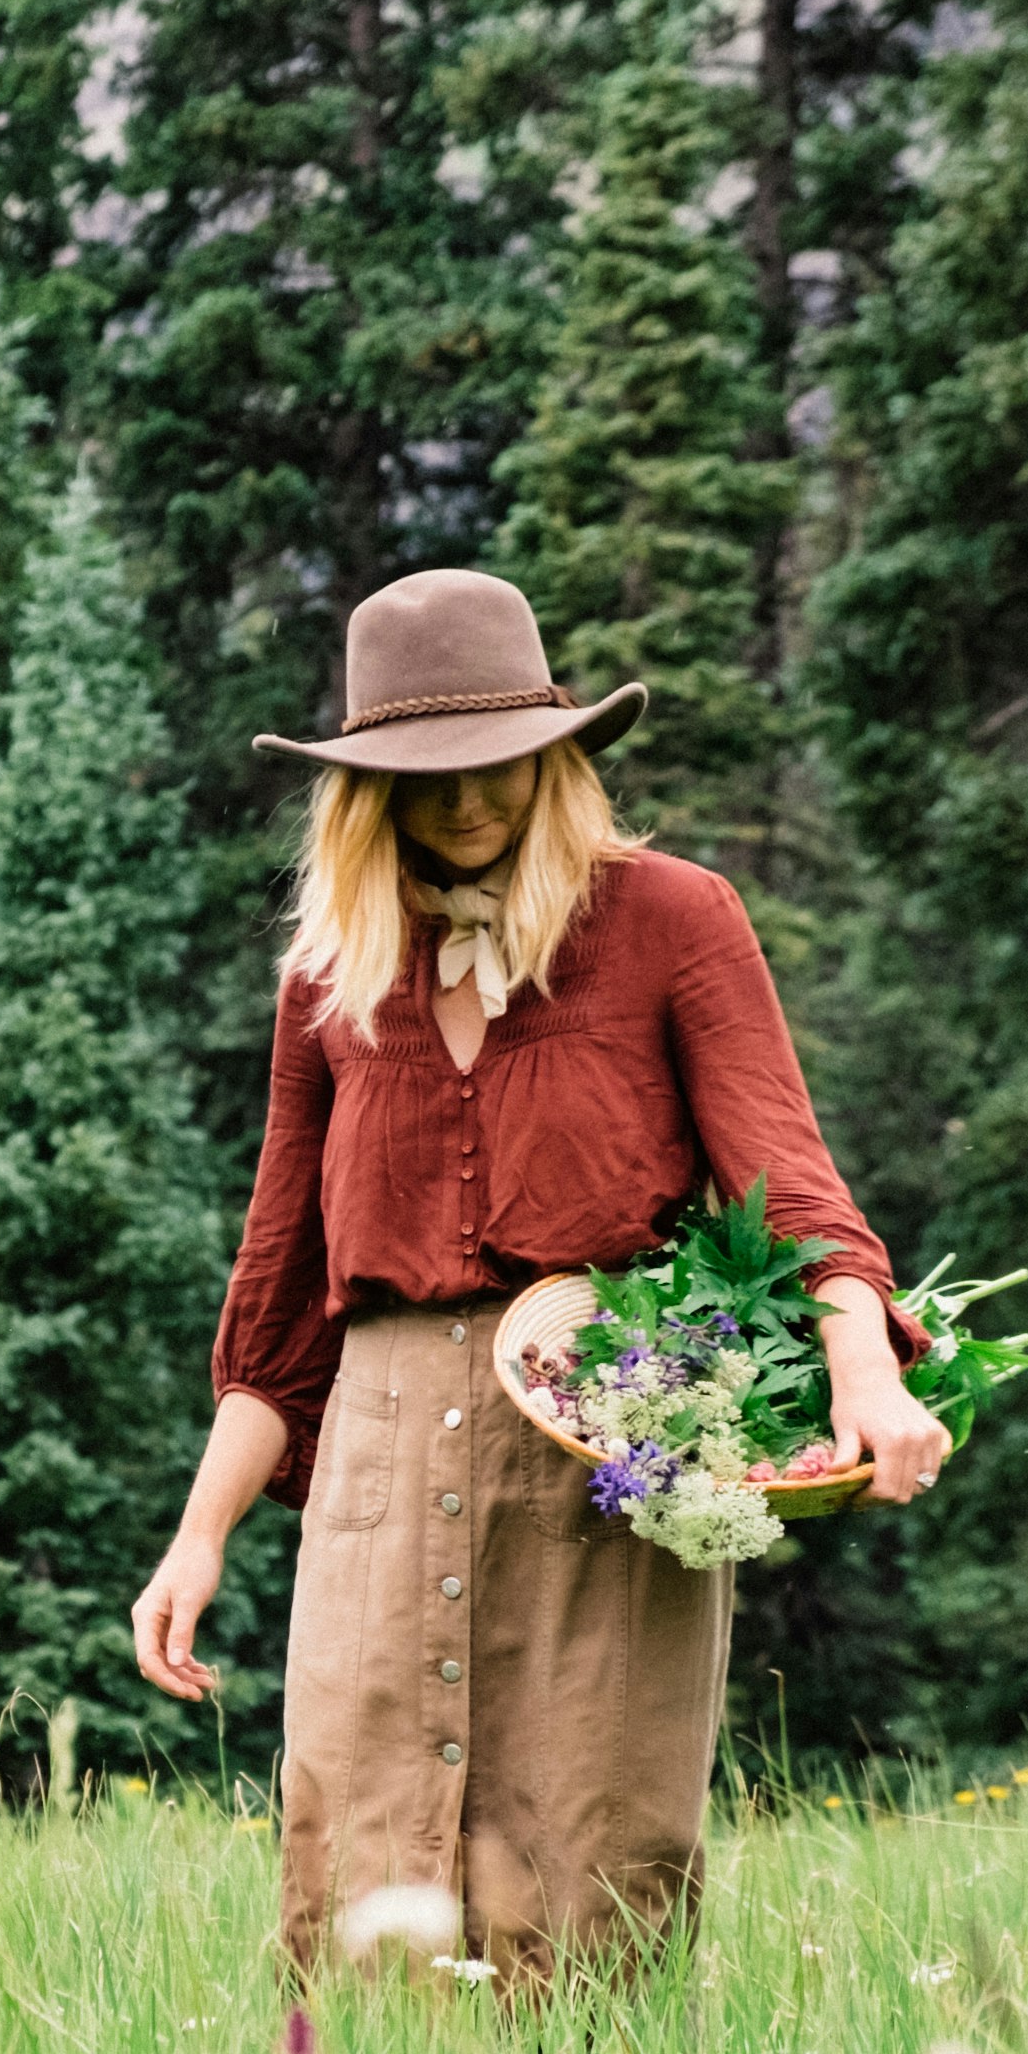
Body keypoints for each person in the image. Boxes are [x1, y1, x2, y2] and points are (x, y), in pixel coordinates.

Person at [126, 568, 942, 1975]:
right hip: (375, 1475)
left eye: (497, 766)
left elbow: (785, 1179)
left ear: (556, 751)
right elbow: (279, 1300)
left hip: (598, 1442)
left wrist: (863, 1371)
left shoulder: (674, 919)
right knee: (363, 1848)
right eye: (423, 779)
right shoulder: (327, 982)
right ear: (362, 792)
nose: (464, 804)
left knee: (591, 1848)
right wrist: (199, 1536)